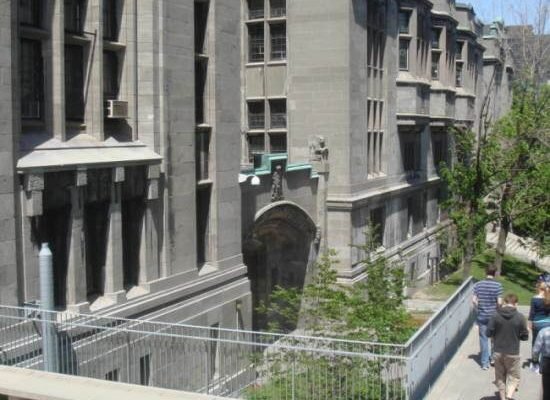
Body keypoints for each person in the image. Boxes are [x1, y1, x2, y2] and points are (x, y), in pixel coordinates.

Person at [487, 293, 529, 400]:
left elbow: (488, 333)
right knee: (514, 376)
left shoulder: (495, 315)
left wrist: (494, 335)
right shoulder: (520, 317)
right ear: (516, 304)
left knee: (500, 376)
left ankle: (502, 397)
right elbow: (525, 337)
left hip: (498, 351)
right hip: (513, 352)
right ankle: (509, 396)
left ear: (504, 302)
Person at [473, 266, 503, 369]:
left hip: (482, 316)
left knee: (483, 339)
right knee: (494, 338)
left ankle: (484, 363)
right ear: (494, 273)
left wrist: (478, 308)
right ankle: (493, 359)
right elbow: (499, 302)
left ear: (485, 272)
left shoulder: (478, 285)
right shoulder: (498, 286)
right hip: (494, 316)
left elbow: (474, 300)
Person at [528, 280, 550, 372]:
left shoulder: (535, 299)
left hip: (537, 323)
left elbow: (532, 313)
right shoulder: (548, 298)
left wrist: (529, 324)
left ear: (538, 288)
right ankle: (544, 361)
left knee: (535, 342)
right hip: (548, 323)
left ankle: (535, 362)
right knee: (546, 343)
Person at [532, 325, 550, 400]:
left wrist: (535, 361)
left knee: (546, 389)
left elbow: (536, 350)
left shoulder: (544, 331)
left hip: (547, 362)